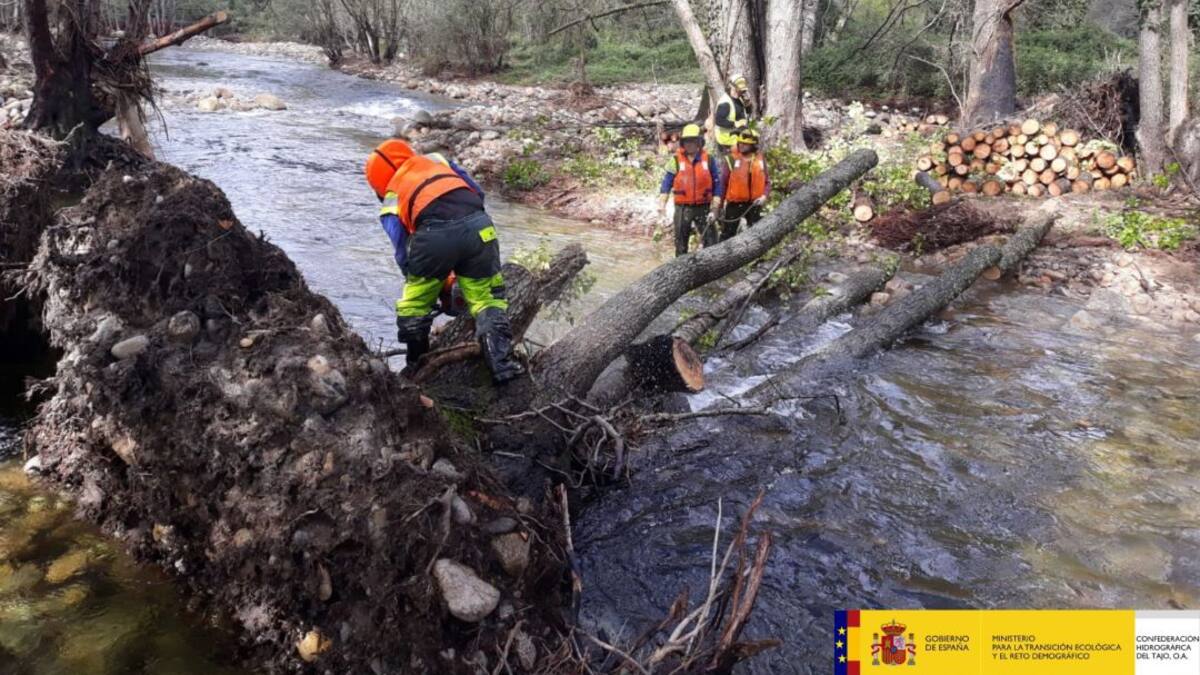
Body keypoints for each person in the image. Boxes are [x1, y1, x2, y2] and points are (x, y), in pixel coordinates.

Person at [363, 138, 524, 384]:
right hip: (480, 225)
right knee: (487, 299)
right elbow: (476, 192)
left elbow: (404, 255)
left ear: (378, 184)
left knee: (414, 305)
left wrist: (435, 283)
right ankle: (502, 367)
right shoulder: (436, 160)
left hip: (433, 236)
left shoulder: (391, 200)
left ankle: (417, 369)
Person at [658, 123, 724, 257]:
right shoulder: (675, 160)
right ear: (683, 143)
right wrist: (662, 205)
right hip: (683, 209)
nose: (690, 144)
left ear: (699, 142)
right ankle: (681, 266)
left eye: (693, 141)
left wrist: (715, 208)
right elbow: (666, 183)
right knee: (681, 243)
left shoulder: (709, 160)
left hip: (704, 207)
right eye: (687, 141)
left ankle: (711, 265)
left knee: (711, 240)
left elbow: (717, 184)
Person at [719, 129, 770, 241]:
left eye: (745, 143)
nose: (741, 145)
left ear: (753, 145)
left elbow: (767, 182)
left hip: (754, 204)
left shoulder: (760, 159)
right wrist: (719, 206)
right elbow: (723, 184)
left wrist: (764, 196)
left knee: (757, 234)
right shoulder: (731, 159)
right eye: (740, 143)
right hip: (734, 205)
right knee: (727, 234)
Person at [714, 74, 753, 158]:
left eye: (742, 91)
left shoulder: (739, 99)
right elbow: (719, 121)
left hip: (737, 139)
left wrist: (748, 106)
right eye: (739, 90)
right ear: (732, 87)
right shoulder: (725, 102)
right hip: (726, 142)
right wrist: (735, 124)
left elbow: (743, 114)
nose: (740, 92)